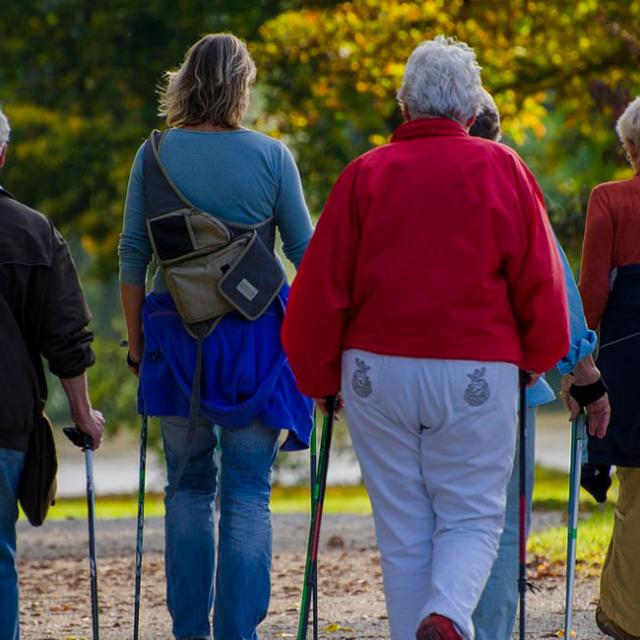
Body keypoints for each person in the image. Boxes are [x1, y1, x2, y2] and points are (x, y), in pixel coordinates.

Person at [282, 36, 570, 640]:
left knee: (403, 529)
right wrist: (534, 362)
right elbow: (539, 280)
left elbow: (319, 288)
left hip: (374, 370)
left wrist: (320, 379)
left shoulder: (365, 174)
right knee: (470, 516)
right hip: (474, 367)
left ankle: (431, 622)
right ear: (471, 112)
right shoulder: (503, 169)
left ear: (405, 106)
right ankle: (447, 615)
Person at [118, 34, 314, 640]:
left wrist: (136, 345)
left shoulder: (152, 157)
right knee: (249, 491)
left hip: (177, 340)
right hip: (256, 343)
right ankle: (238, 633)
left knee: (187, 484)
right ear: (240, 87)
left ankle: (188, 631)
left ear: (185, 82)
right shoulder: (274, 157)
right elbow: (307, 256)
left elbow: (133, 257)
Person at [470, 90, 611, 640]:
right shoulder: (509, 180)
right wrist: (584, 374)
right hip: (508, 381)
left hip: (415, 378)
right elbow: (551, 285)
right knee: (503, 523)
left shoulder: (391, 176)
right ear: (496, 135)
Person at [0, 106, 105, 640]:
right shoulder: (33, 232)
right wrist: (83, 415)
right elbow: (66, 335)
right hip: (5, 420)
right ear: (1, 154)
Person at [578, 96, 640, 640]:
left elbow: (592, 294)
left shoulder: (611, 199)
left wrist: (580, 368)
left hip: (630, 358)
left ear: (630, 148)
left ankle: (625, 616)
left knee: (636, 486)